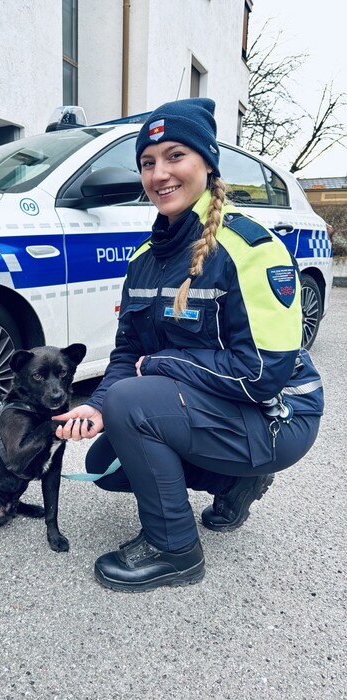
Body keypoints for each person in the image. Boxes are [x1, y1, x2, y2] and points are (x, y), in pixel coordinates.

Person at [53, 98, 324, 592]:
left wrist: (160, 364)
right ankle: (233, 482)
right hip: (221, 407)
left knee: (133, 403)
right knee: (106, 460)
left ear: (207, 163)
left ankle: (174, 548)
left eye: (175, 156)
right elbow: (124, 354)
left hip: (278, 415)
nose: (160, 174)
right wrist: (96, 405)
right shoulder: (144, 261)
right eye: (148, 162)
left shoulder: (249, 249)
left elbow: (263, 374)